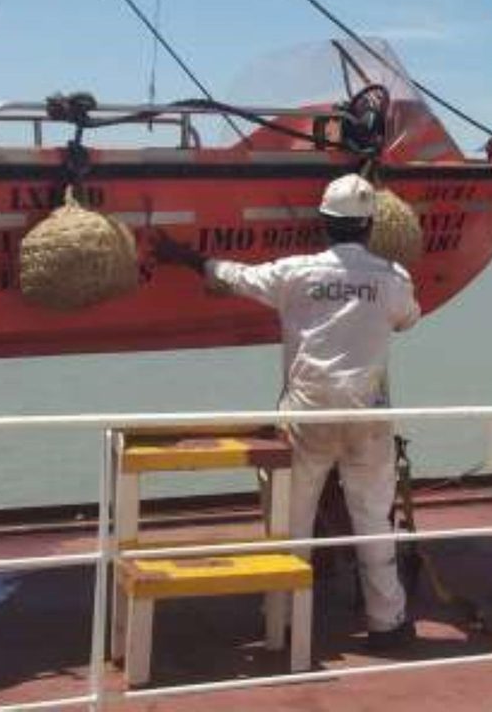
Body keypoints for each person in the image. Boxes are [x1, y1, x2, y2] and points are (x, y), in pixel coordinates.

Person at [154, 173, 422, 650]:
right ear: (369, 226)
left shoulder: (294, 273)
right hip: (368, 419)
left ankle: (284, 623)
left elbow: (233, 276)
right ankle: (388, 622)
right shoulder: (394, 278)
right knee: (374, 522)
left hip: (307, 416)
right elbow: (407, 319)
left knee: (292, 524)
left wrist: (185, 257)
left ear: (323, 223)